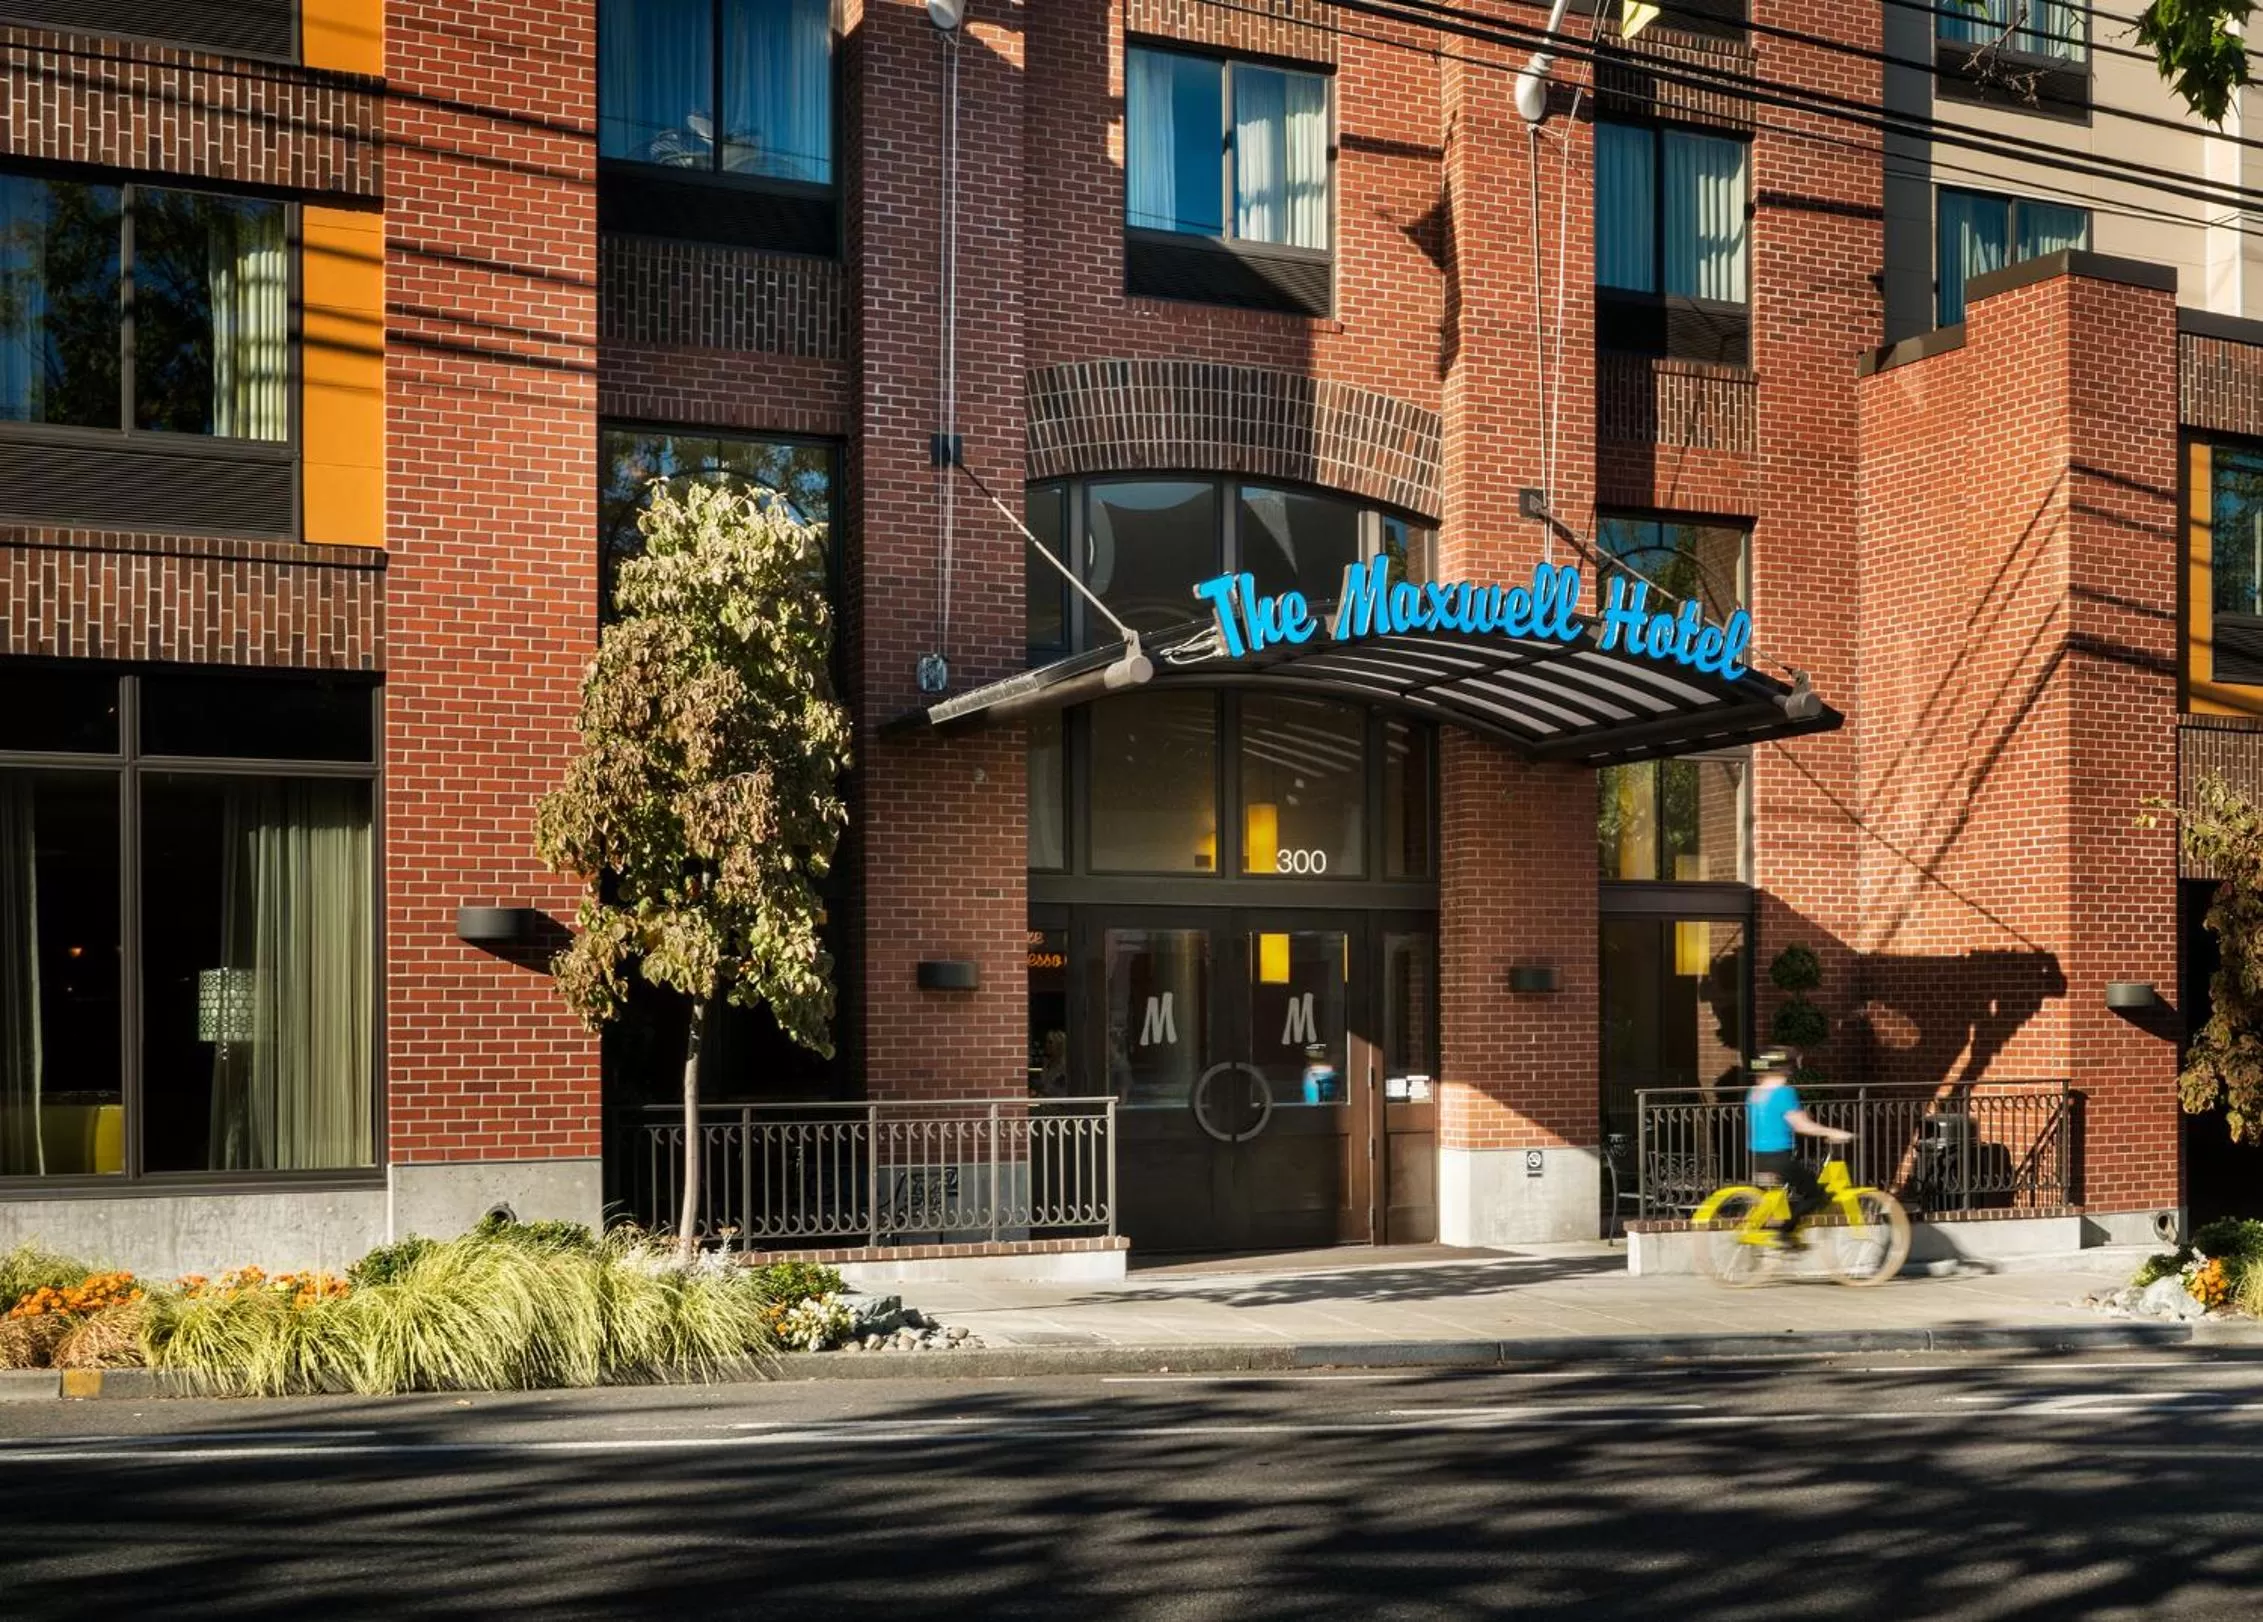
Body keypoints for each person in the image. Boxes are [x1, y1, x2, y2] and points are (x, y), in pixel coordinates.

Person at [1746, 1050, 1851, 1247]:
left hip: (1757, 1156)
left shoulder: (1754, 1093)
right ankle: (1786, 1233)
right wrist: (1832, 1132)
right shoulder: (1784, 1093)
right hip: (1779, 1157)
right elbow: (1801, 1126)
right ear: (1784, 1069)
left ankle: (1773, 1231)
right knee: (1817, 1195)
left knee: (1781, 1194)